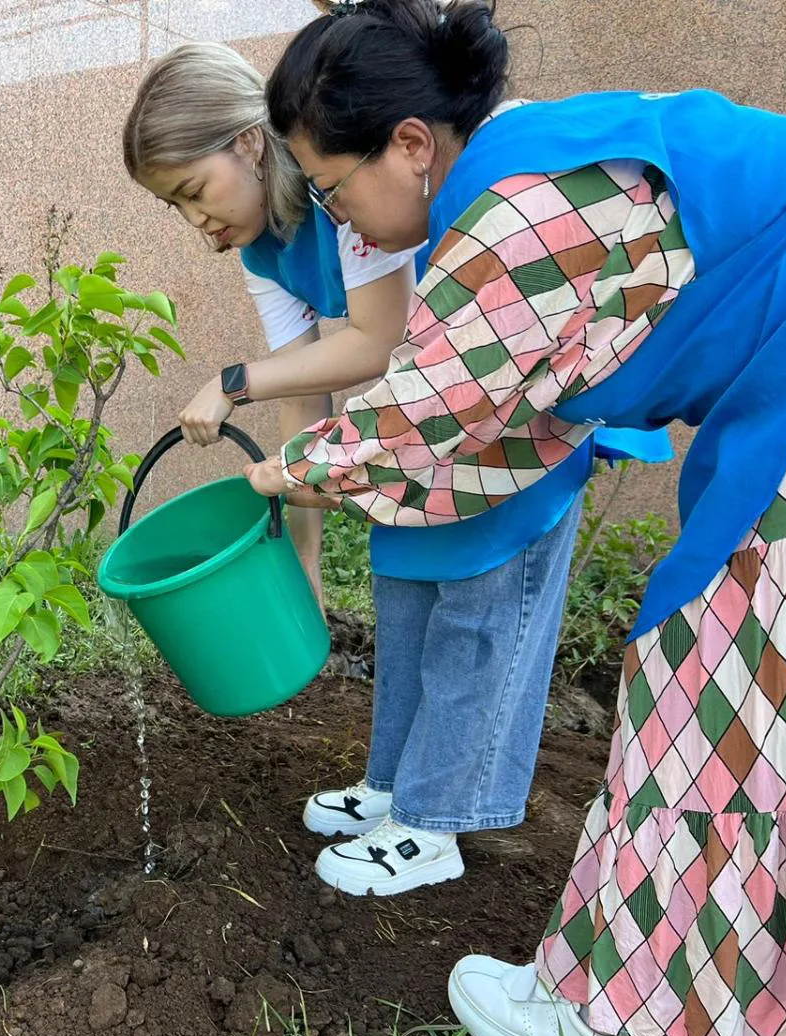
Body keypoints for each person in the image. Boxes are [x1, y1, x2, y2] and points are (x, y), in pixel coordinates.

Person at [249, 0, 786, 1036]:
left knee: (707, 681)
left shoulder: (508, 213)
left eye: (333, 184)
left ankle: (613, 1028)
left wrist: (292, 468)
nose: (335, 212)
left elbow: (427, 410)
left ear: (409, 143)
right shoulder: (531, 159)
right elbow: (515, 405)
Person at [123, 40, 669, 900]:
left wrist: (231, 384)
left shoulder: (348, 189)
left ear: (249, 144)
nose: (195, 222)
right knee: (407, 591)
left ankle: (438, 819)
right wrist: (300, 556)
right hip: (417, 438)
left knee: (481, 608)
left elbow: (375, 339)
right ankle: (393, 785)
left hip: (498, 416)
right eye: (174, 207)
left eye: (193, 191)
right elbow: (309, 389)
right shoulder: (269, 251)